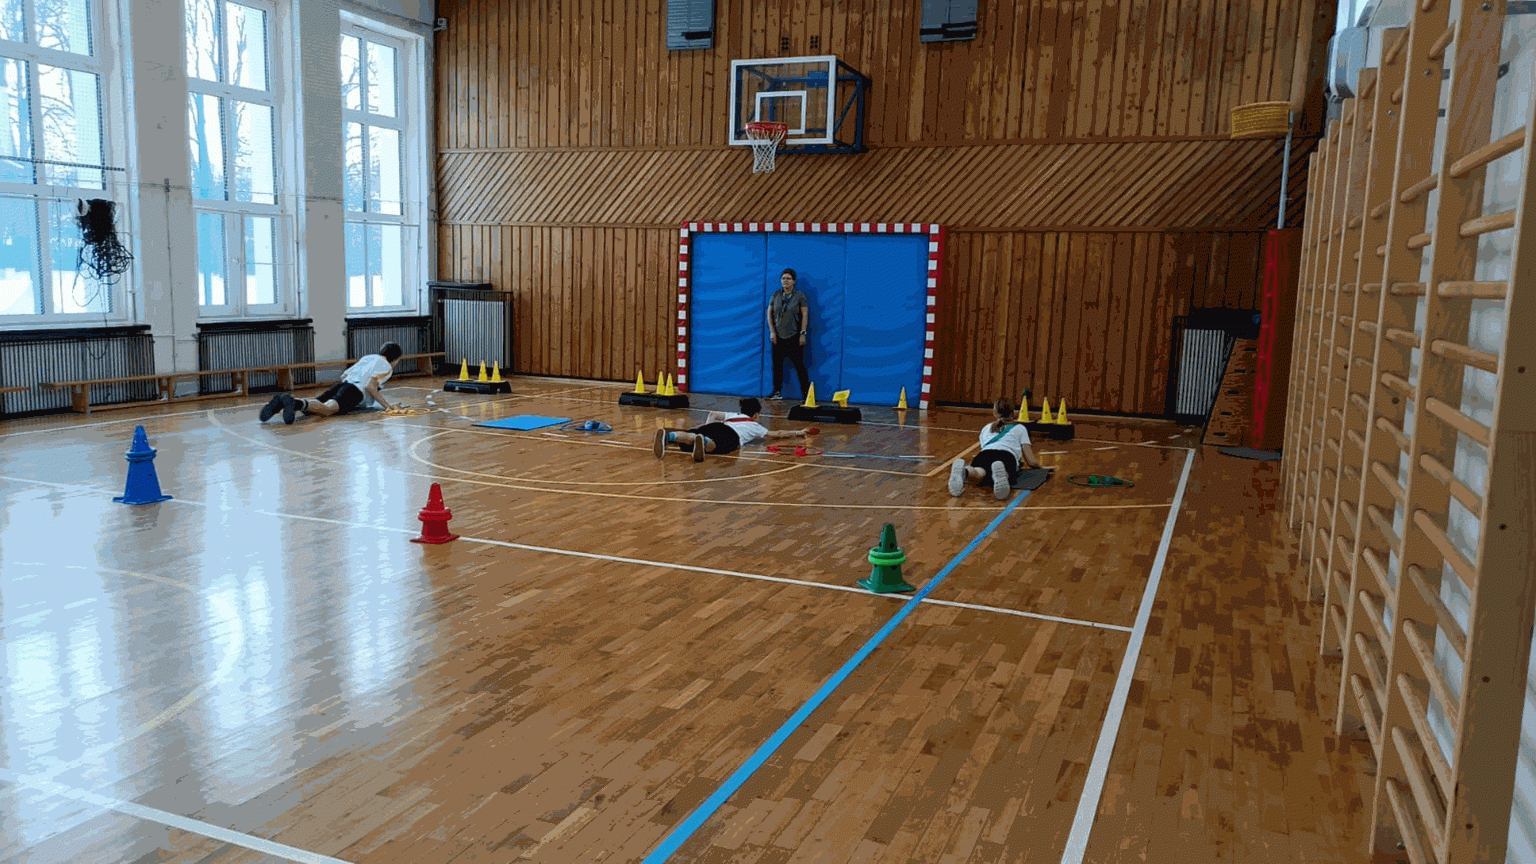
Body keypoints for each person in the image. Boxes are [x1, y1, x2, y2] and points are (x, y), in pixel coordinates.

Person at [259, 342, 404, 425]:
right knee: (327, 409)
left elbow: (346, 374)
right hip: (354, 391)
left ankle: (286, 401)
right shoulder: (387, 367)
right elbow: (370, 386)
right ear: (395, 358)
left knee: (313, 407)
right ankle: (292, 402)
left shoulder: (368, 357)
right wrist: (388, 407)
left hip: (342, 384)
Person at [949, 397, 1053, 499]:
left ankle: (965, 471)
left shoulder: (986, 428)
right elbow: (1031, 461)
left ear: (995, 412)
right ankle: (1001, 475)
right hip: (1007, 455)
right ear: (1013, 412)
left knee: (979, 472)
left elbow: (983, 447)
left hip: (984, 455)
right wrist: (1043, 468)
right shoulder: (1020, 428)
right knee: (1007, 472)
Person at [652, 397, 816, 462]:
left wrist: (705, 426)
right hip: (732, 436)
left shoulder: (733, 414)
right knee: (716, 445)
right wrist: (800, 432)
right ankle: (703, 441)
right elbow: (778, 434)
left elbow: (713, 413)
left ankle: (670, 436)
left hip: (717, 426)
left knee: (690, 435)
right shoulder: (755, 426)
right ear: (756, 414)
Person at [765, 268, 810, 400]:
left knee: (799, 366)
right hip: (778, 337)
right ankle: (777, 392)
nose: (785, 281)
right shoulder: (776, 295)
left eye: (788, 279)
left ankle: (807, 395)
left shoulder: (799, 296)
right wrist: (772, 331)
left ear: (794, 281)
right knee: (777, 365)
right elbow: (769, 313)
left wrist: (802, 333)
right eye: (783, 278)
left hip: (794, 336)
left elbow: (805, 314)